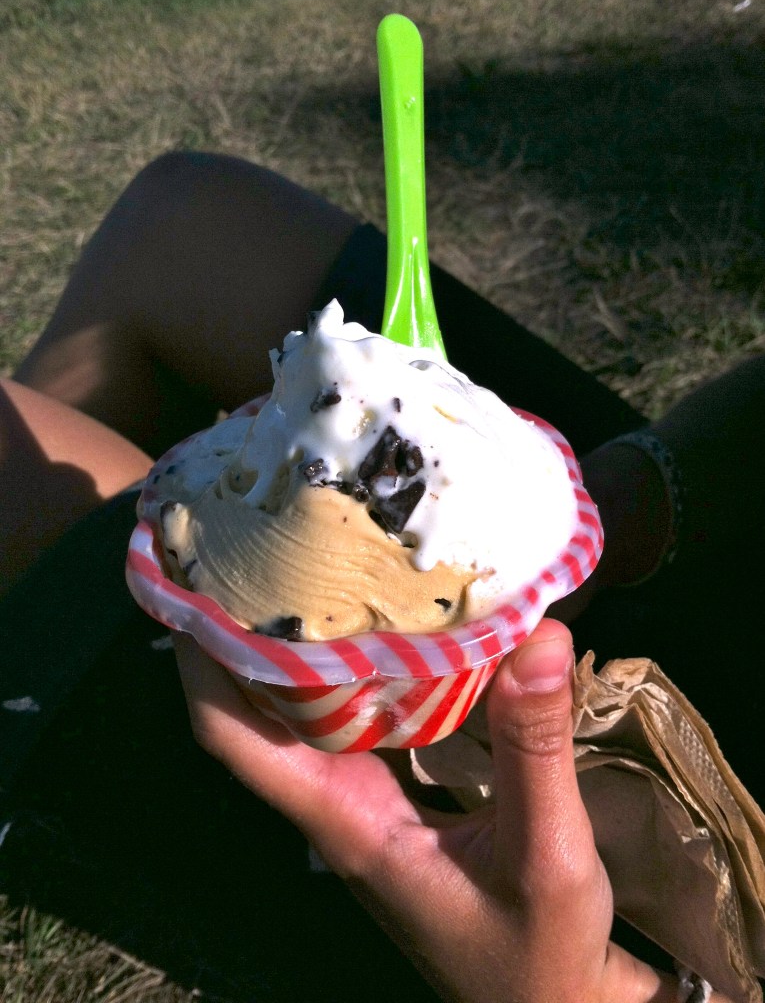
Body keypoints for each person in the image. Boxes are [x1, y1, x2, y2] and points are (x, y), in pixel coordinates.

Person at [2, 151, 762, 1002]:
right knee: (181, 219)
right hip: (705, 560)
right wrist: (645, 486)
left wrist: (580, 993)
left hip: (622, 926)